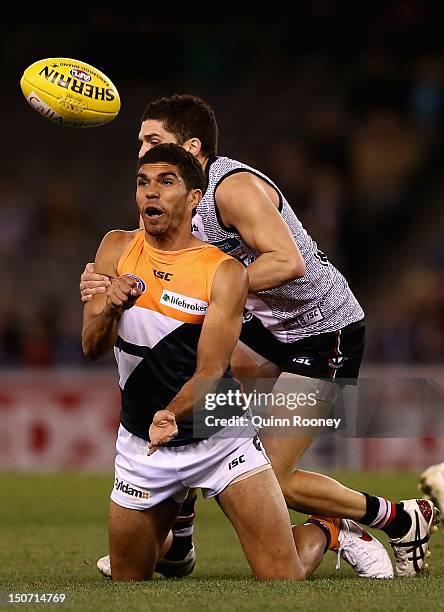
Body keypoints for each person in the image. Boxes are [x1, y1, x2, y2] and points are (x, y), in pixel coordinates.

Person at [81, 95, 438, 578]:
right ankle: (180, 532)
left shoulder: (231, 187)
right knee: (196, 390)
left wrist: (209, 288)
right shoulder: (174, 200)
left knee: (276, 474)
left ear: (191, 146)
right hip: (265, 325)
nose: (141, 150)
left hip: (320, 333)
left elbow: (287, 262)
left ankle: (395, 519)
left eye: (152, 140)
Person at [82, 143, 312, 581]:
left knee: (285, 579)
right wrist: (109, 307)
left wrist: (171, 412)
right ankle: (177, 548)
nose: (151, 192)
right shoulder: (114, 249)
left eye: (166, 182)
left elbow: (210, 370)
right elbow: (92, 346)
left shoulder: (223, 271)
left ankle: (327, 531)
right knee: (129, 581)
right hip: (142, 441)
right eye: (142, 182)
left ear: (194, 198)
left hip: (219, 434)